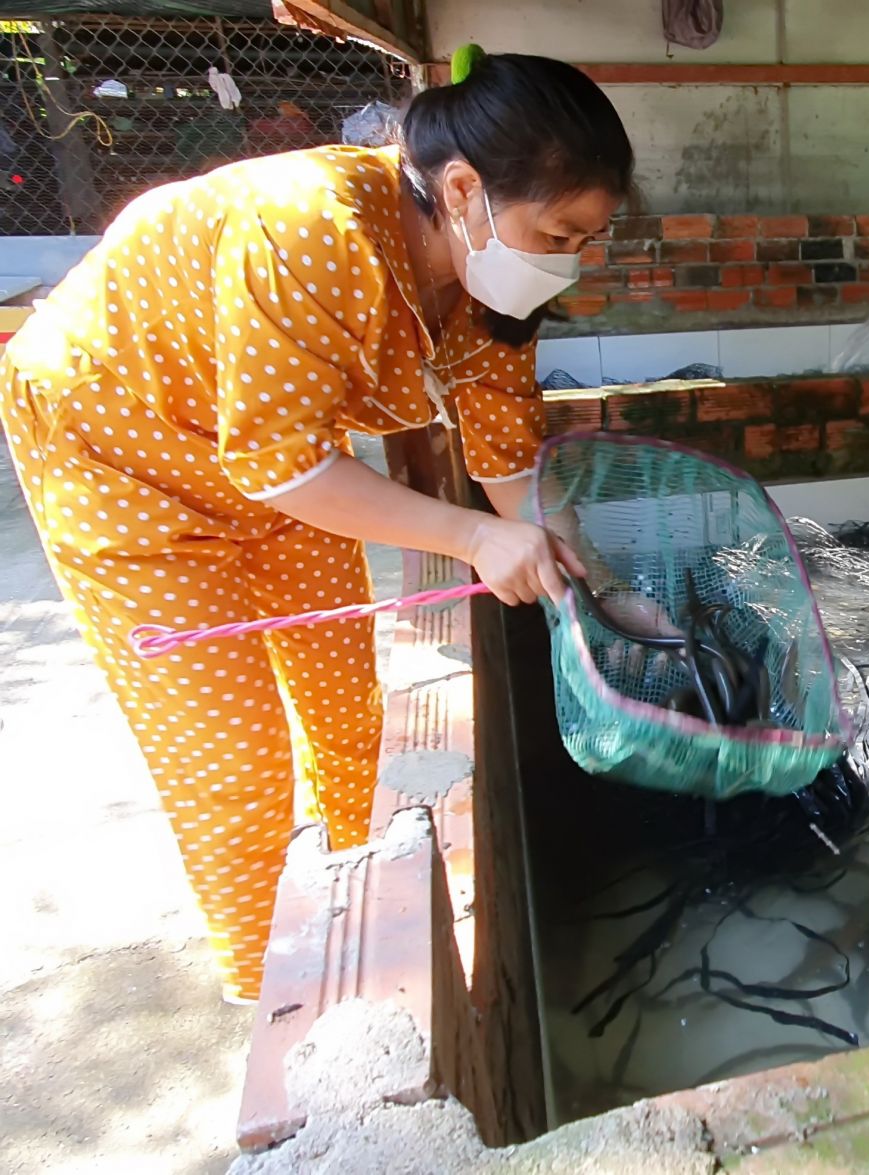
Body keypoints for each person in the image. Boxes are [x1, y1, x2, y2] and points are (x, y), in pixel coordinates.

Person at [0, 48, 632, 1003]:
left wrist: (591, 573)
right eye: (561, 231)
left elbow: (504, 450)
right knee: (232, 756)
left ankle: (355, 903)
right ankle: (273, 989)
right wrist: (470, 539)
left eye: (590, 239)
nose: (571, 259)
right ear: (464, 189)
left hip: (279, 457)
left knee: (347, 708)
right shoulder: (312, 228)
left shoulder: (492, 284)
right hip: (118, 446)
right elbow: (283, 466)